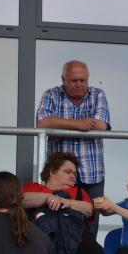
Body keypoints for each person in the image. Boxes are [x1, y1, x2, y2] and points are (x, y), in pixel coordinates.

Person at [23, 151, 106, 254]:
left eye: (75, 173)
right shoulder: (34, 187)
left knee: (95, 252)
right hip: (42, 237)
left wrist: (66, 202)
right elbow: (23, 200)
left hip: (75, 238)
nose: (73, 176)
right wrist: (48, 198)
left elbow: (88, 209)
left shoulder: (79, 192)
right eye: (68, 172)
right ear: (52, 171)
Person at [36, 60, 111, 235]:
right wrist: (80, 125)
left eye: (82, 80)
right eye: (74, 80)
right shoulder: (51, 94)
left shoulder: (97, 94)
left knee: (90, 222)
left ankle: (87, 253)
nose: (79, 84)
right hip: (59, 174)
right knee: (57, 218)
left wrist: (60, 127)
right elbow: (43, 123)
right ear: (63, 80)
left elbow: (101, 126)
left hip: (92, 174)